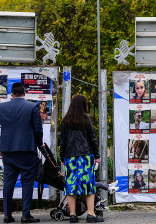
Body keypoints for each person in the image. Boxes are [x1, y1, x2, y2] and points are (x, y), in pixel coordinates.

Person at [0, 82, 43, 224]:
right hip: (27, 150)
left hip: (8, 151)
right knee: (27, 183)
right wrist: (38, 144)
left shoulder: (2, 107)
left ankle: (7, 216)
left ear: (12, 95)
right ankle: (25, 215)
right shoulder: (32, 107)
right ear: (24, 94)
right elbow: (38, 129)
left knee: (8, 183)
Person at [59, 94, 102, 223]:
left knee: (71, 186)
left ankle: (72, 215)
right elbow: (93, 139)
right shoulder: (87, 118)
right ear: (83, 104)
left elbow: (62, 141)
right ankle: (91, 214)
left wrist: (62, 156)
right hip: (86, 157)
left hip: (70, 158)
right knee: (88, 185)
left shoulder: (65, 120)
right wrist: (97, 155)